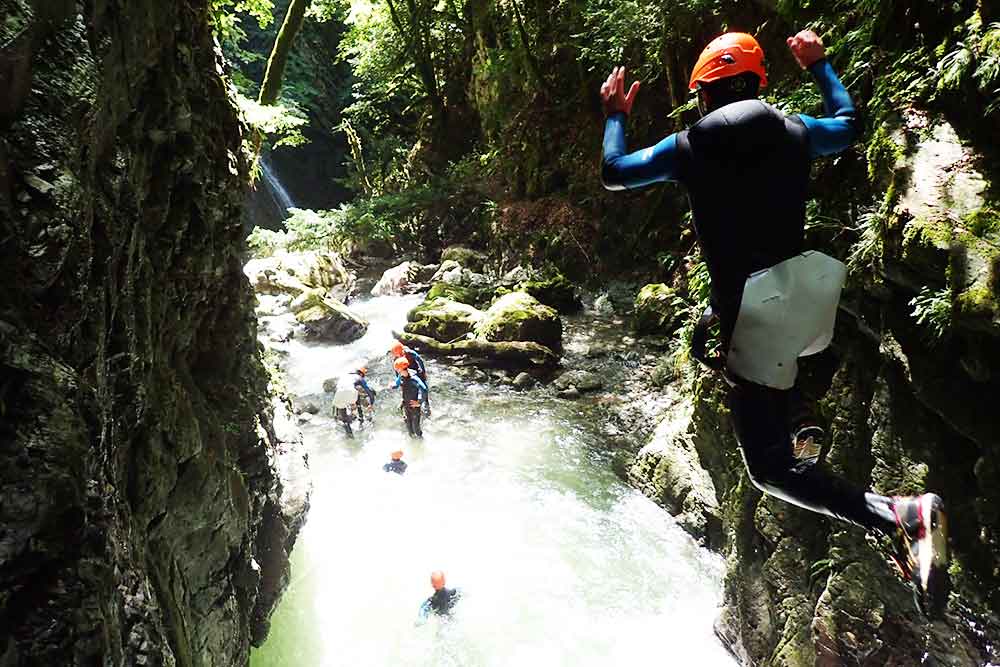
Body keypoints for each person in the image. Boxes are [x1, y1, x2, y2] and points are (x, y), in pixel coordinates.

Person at [599, 30, 949, 616]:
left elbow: (613, 171)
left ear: (705, 93)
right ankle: (802, 412)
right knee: (755, 352)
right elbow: (849, 121)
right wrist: (820, 64)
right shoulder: (795, 133)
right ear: (759, 82)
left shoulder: (688, 147)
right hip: (809, 296)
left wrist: (614, 115)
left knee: (767, 470)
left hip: (753, 320)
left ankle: (900, 514)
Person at [331, 367, 376, 438]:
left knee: (344, 419)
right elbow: (368, 391)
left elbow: (336, 391)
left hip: (338, 394)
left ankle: (350, 436)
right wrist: (371, 404)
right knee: (356, 395)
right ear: (360, 373)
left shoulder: (343, 377)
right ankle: (361, 419)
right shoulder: (359, 377)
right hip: (351, 392)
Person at [391, 340, 431, 415]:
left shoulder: (409, 352)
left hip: (416, 371)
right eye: (395, 354)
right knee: (406, 389)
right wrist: (399, 381)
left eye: (397, 353)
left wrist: (423, 372)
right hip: (405, 372)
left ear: (401, 351)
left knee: (423, 386)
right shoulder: (396, 359)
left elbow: (419, 360)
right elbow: (397, 371)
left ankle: (425, 403)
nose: (396, 355)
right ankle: (405, 404)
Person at [393, 357, 428, 438]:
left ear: (401, 369)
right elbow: (397, 383)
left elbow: (424, 389)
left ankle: (420, 441)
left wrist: (419, 402)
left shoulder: (414, 379)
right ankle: (413, 444)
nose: (397, 371)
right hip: (406, 404)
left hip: (414, 407)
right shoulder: (401, 375)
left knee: (416, 428)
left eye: (397, 369)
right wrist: (393, 386)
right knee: (409, 428)